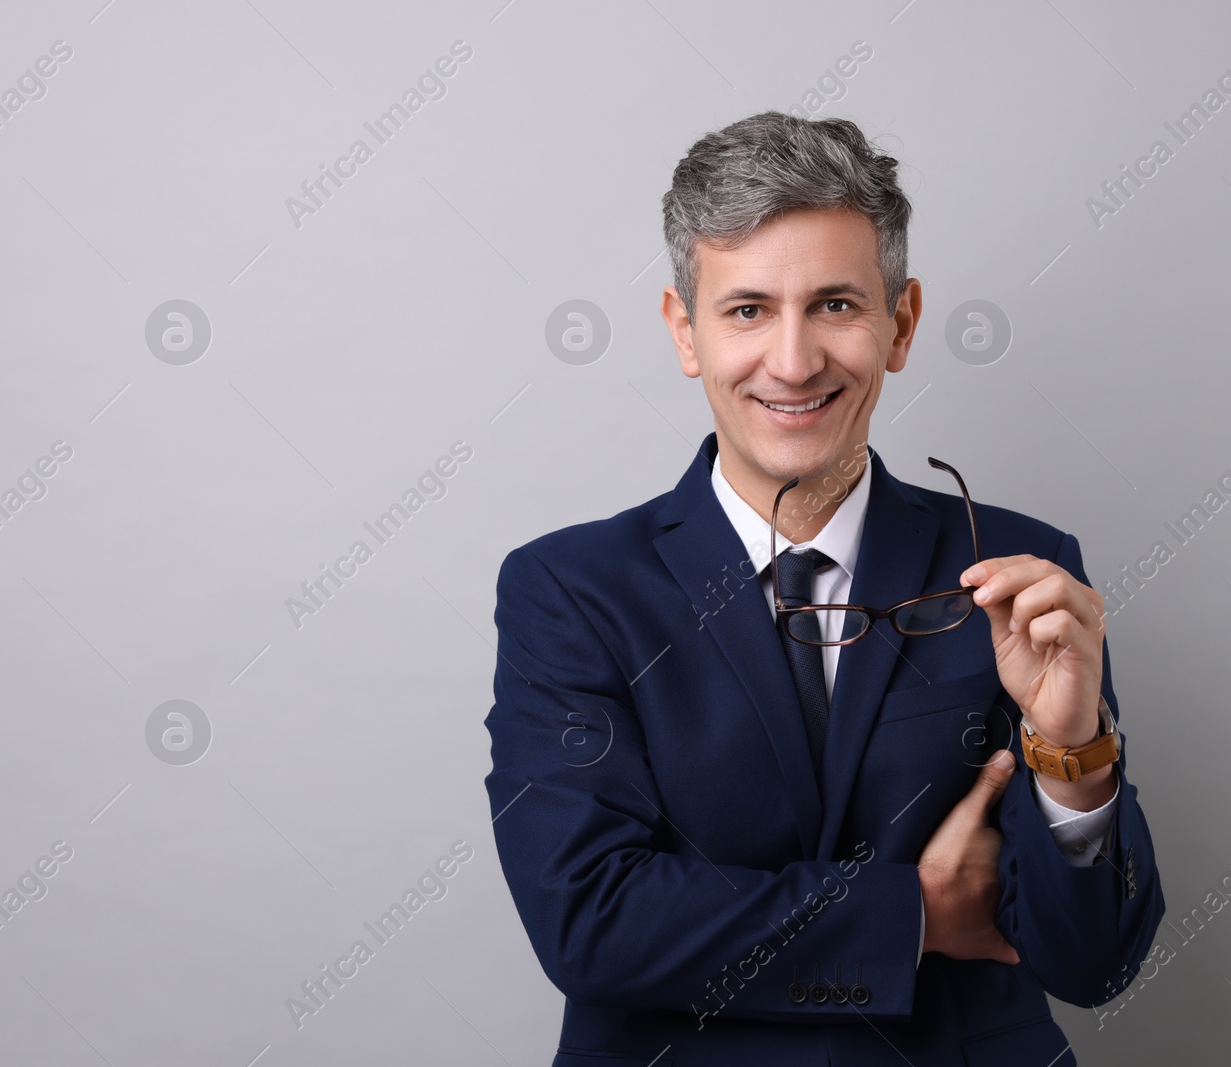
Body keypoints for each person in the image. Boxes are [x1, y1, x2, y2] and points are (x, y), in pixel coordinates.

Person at [483, 110, 1164, 1067]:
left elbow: (1093, 963)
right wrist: (913, 914)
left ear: (902, 323)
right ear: (686, 331)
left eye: (836, 305)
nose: (794, 362)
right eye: (748, 309)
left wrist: (1071, 750)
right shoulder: (572, 590)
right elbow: (593, 923)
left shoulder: (1021, 573)